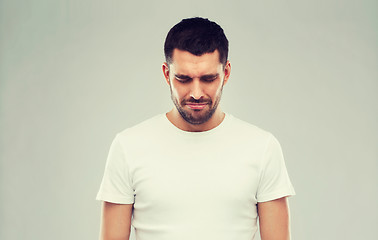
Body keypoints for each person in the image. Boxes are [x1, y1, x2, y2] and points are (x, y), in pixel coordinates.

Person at [96, 17, 295, 240]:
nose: (196, 93)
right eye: (183, 79)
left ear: (226, 73)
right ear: (166, 74)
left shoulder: (262, 148)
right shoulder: (128, 146)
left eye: (209, 78)